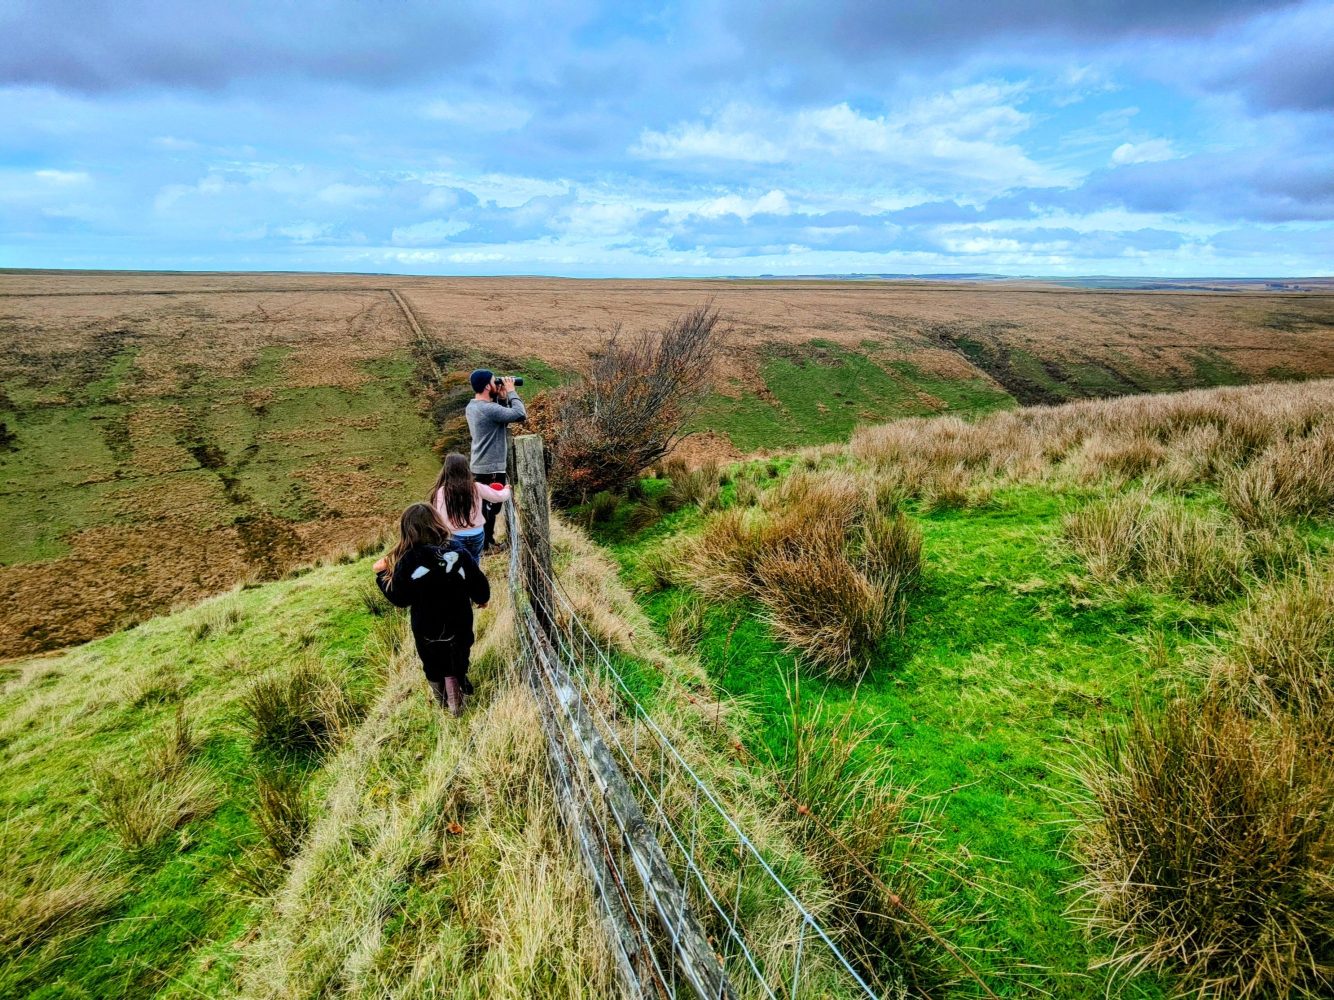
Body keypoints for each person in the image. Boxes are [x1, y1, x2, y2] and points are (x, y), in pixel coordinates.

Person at [373, 503, 489, 717]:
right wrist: (482, 599)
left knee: (432, 663)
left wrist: (382, 575)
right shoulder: (458, 550)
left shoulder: (408, 559)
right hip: (459, 621)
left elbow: (399, 597)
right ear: (437, 523)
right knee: (457, 658)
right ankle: (456, 702)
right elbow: (476, 580)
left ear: (407, 531)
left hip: (427, 627)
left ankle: (442, 702)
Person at [465, 369, 526, 550]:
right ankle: (486, 546)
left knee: (486, 508)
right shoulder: (488, 409)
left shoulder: (473, 406)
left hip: (481, 465)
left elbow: (499, 418)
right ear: (486, 386)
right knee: (489, 509)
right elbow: (520, 414)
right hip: (490, 468)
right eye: (494, 381)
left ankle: (486, 543)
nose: (498, 383)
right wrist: (511, 391)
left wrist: (500, 398)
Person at [429, 452, 512, 563]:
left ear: (446, 470)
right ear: (466, 469)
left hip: (454, 536)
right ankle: (475, 578)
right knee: (474, 560)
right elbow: (499, 497)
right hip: (476, 534)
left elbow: (439, 517)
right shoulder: (475, 487)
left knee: (457, 564)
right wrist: (506, 489)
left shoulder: (442, 492)